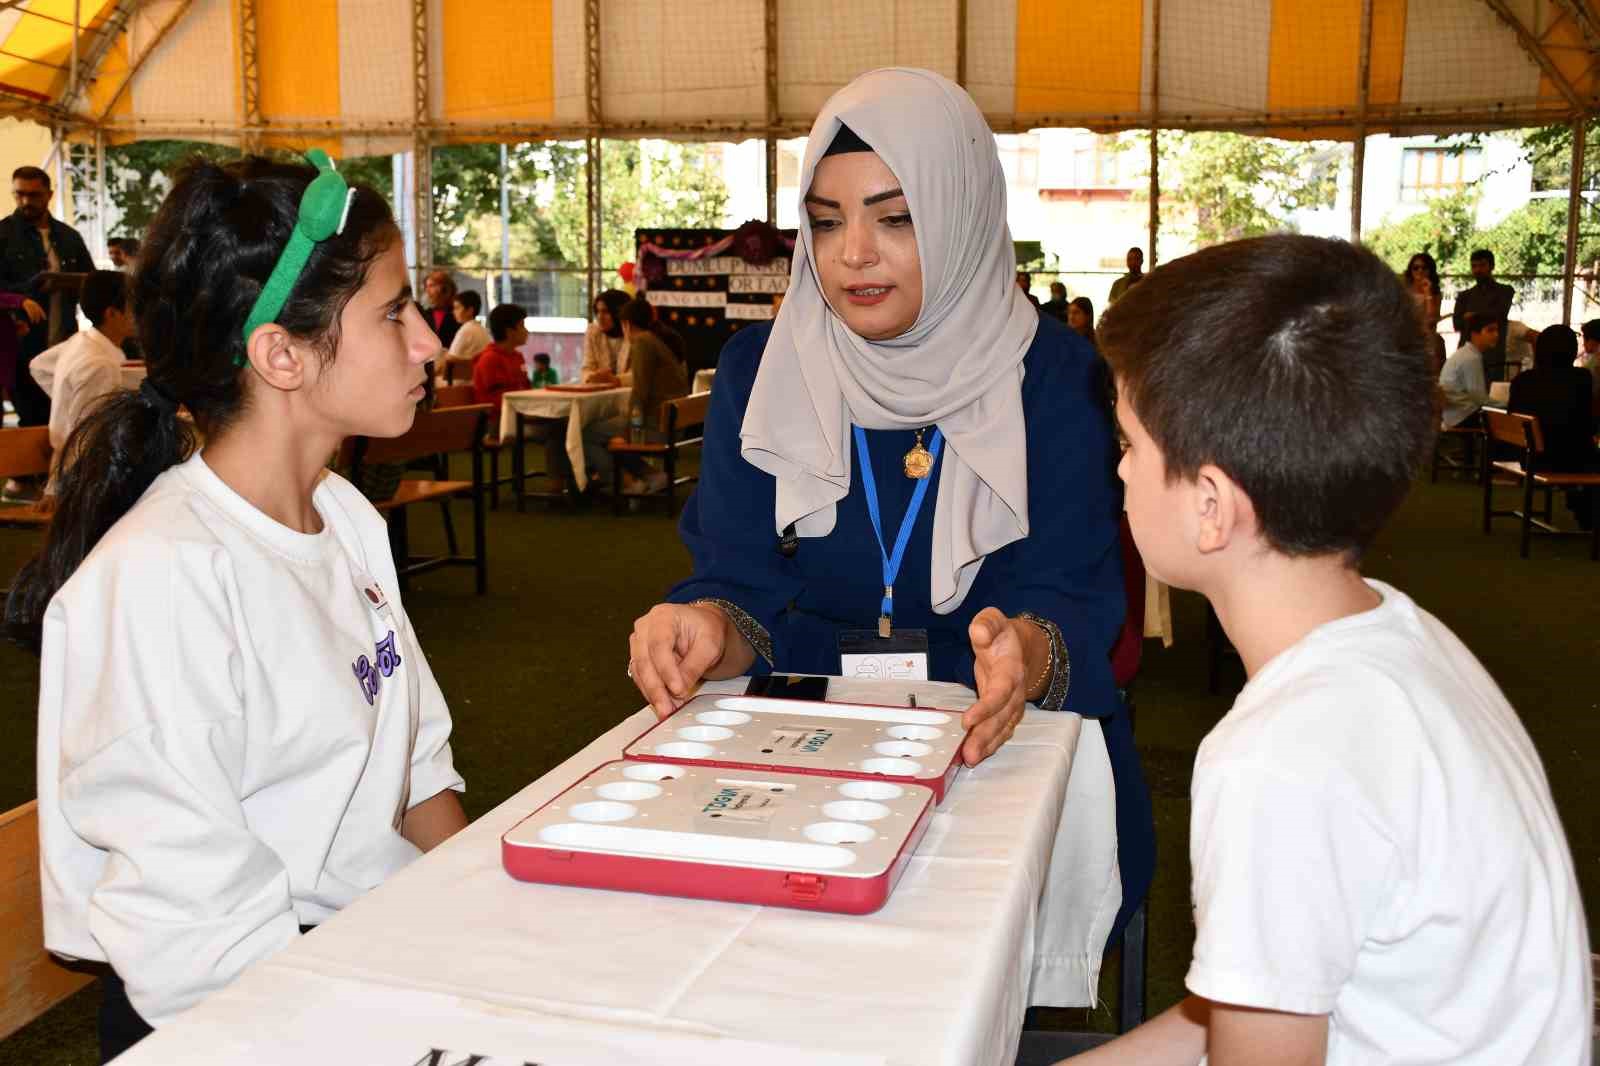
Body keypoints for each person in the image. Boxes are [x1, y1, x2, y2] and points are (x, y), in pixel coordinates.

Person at [626, 68, 1149, 939]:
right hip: (798, 731)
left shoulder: (1055, 379)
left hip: (986, 728)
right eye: (826, 221)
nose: (852, 253)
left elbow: (1070, 592)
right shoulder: (762, 371)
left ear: (963, 213)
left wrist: (1026, 647)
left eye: (895, 217)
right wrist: (707, 625)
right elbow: (735, 576)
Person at [1082, 233, 1589, 1066]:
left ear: (1211, 505)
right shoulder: (1399, 638)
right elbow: (1243, 1003)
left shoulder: (1279, 758)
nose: (1122, 474)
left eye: (1130, 446)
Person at [6, 153, 466, 1063]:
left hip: (366, 966)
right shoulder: (161, 582)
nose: (428, 343)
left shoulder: (342, 516)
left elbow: (419, 774)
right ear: (281, 354)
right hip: (243, 1021)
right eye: (391, 312)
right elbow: (204, 953)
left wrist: (484, 929)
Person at [0, 165, 95, 431]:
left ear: (49, 195)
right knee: (31, 420)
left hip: (64, 339)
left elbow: (93, 282)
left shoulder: (68, 237)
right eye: (20, 194)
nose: (26, 201)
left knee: (65, 419)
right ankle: (31, 473)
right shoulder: (4, 235)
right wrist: (26, 292)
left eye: (34, 195)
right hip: (20, 342)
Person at [28, 270, 134, 492]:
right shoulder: (99, 364)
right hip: (85, 480)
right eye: (135, 307)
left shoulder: (82, 341)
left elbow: (39, 366)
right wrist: (55, 490)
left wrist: (65, 399)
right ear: (112, 313)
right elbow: (87, 436)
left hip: (75, 471)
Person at [583, 296, 686, 495]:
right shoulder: (657, 340)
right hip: (671, 423)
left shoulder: (642, 342)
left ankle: (626, 484)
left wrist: (632, 430)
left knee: (588, 432)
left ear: (626, 324)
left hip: (657, 426)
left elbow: (640, 392)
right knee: (610, 434)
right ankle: (650, 475)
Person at [1509, 325, 1597, 529]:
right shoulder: (1581, 378)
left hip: (1530, 458)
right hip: (1572, 459)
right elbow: (1588, 425)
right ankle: (1584, 509)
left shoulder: (1523, 381)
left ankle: (1580, 503)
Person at [1450, 248, 1514, 382]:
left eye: (1482, 265)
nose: (1478, 270)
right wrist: (1483, 316)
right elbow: (1457, 324)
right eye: (1474, 266)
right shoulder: (1465, 296)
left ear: (1492, 266)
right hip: (1468, 354)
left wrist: (1471, 316)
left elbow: (1500, 315)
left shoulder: (1505, 291)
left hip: (1493, 354)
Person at [1439, 312, 1496, 429]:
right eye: (1490, 330)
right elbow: (1479, 398)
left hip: (1453, 415)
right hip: (1461, 418)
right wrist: (1506, 405)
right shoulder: (1471, 357)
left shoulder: (1466, 353)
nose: (1496, 335)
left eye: (1497, 330)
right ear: (1475, 334)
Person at [472, 301, 532, 413]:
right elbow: (497, 400)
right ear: (509, 332)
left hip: (519, 413)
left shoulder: (517, 356)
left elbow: (526, 387)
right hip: (498, 420)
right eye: (522, 326)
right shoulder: (490, 359)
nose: (527, 331)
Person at [1403, 251, 1446, 373]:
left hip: (1427, 336)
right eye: (1415, 268)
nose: (1419, 271)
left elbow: (1432, 318)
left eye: (1424, 268)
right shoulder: (1404, 291)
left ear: (1430, 270)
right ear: (1410, 271)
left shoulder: (1434, 293)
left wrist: (1428, 293)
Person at [581, 288, 630, 383]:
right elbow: (587, 368)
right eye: (597, 312)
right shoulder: (593, 332)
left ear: (619, 313)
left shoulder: (633, 333)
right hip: (601, 392)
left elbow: (637, 374)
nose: (600, 317)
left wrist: (615, 380)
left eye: (606, 312)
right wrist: (592, 377)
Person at [441, 289, 489, 382]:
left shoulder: (465, 330)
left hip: (462, 382)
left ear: (470, 311)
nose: (454, 312)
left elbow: (451, 358)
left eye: (457, 308)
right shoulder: (482, 330)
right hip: (478, 378)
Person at [421, 268, 459, 352]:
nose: (427, 291)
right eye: (426, 287)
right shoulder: (425, 314)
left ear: (444, 288)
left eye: (431, 286)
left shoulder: (457, 313)